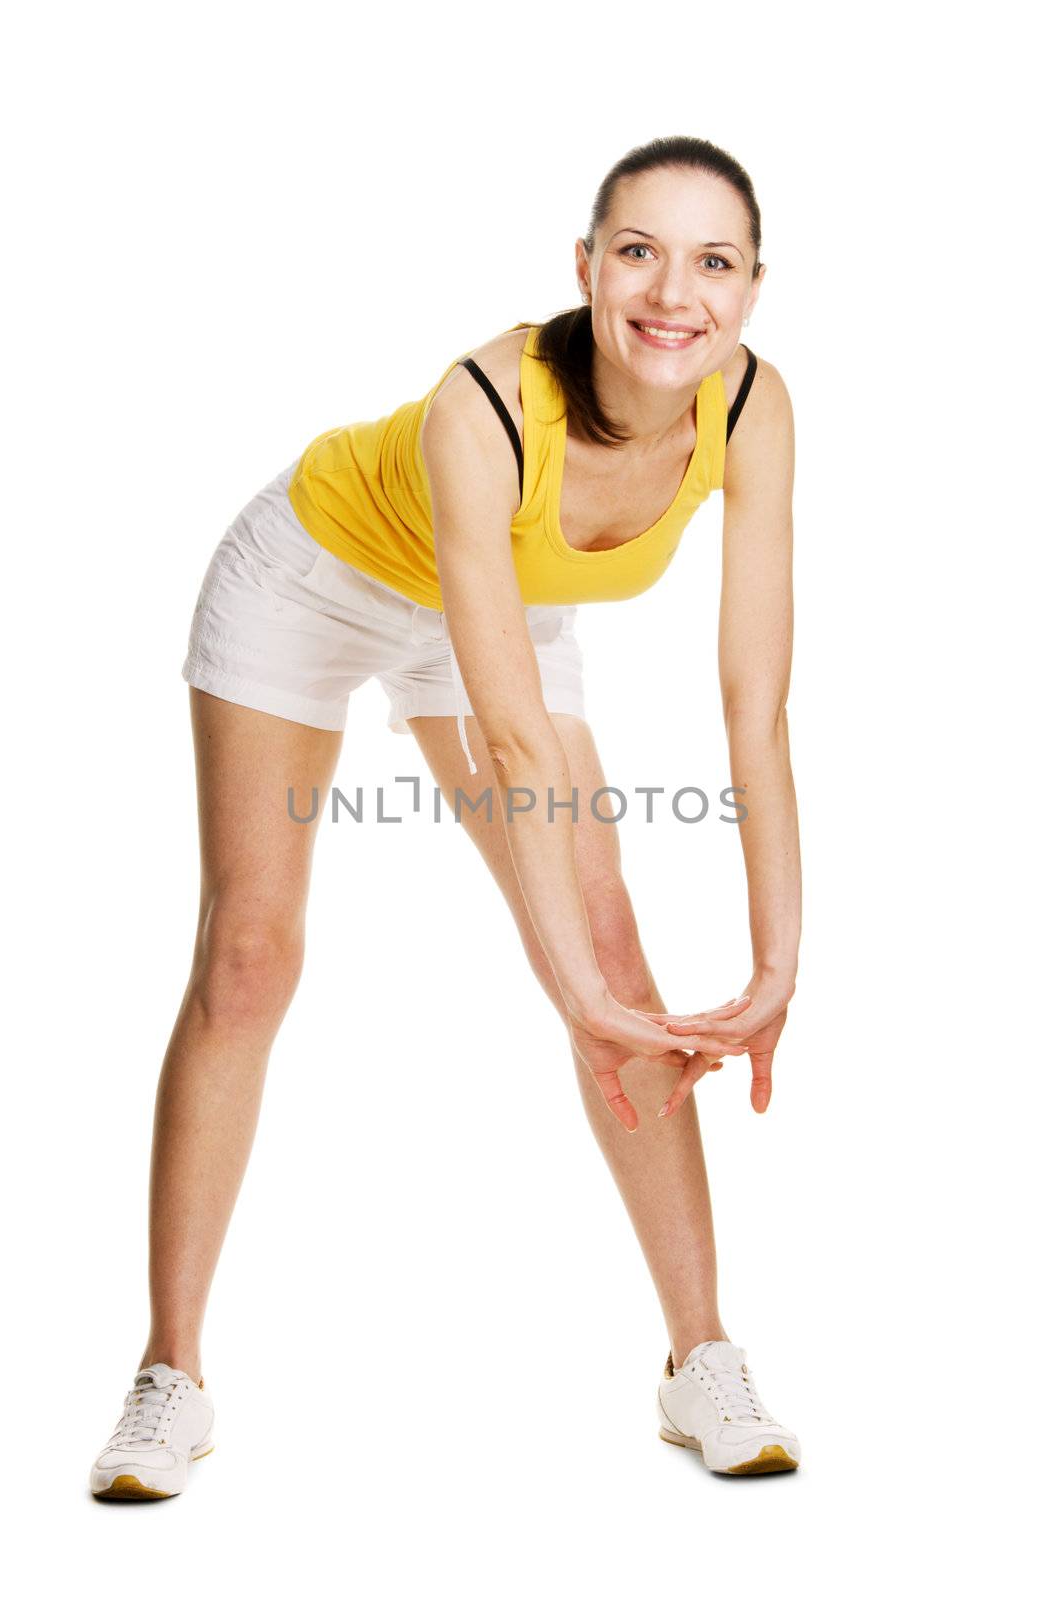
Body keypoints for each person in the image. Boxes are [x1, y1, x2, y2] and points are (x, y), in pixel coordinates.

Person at [89, 133, 802, 1499]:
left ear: (752, 288)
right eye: (638, 252)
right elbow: (514, 730)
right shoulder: (483, 401)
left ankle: (700, 1358)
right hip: (316, 577)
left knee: (621, 967)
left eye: (713, 261)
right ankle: (167, 1376)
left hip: (501, 601)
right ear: (586, 268)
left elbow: (755, 708)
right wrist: (568, 987)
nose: (673, 293)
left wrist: (777, 962)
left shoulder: (754, 405)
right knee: (251, 954)